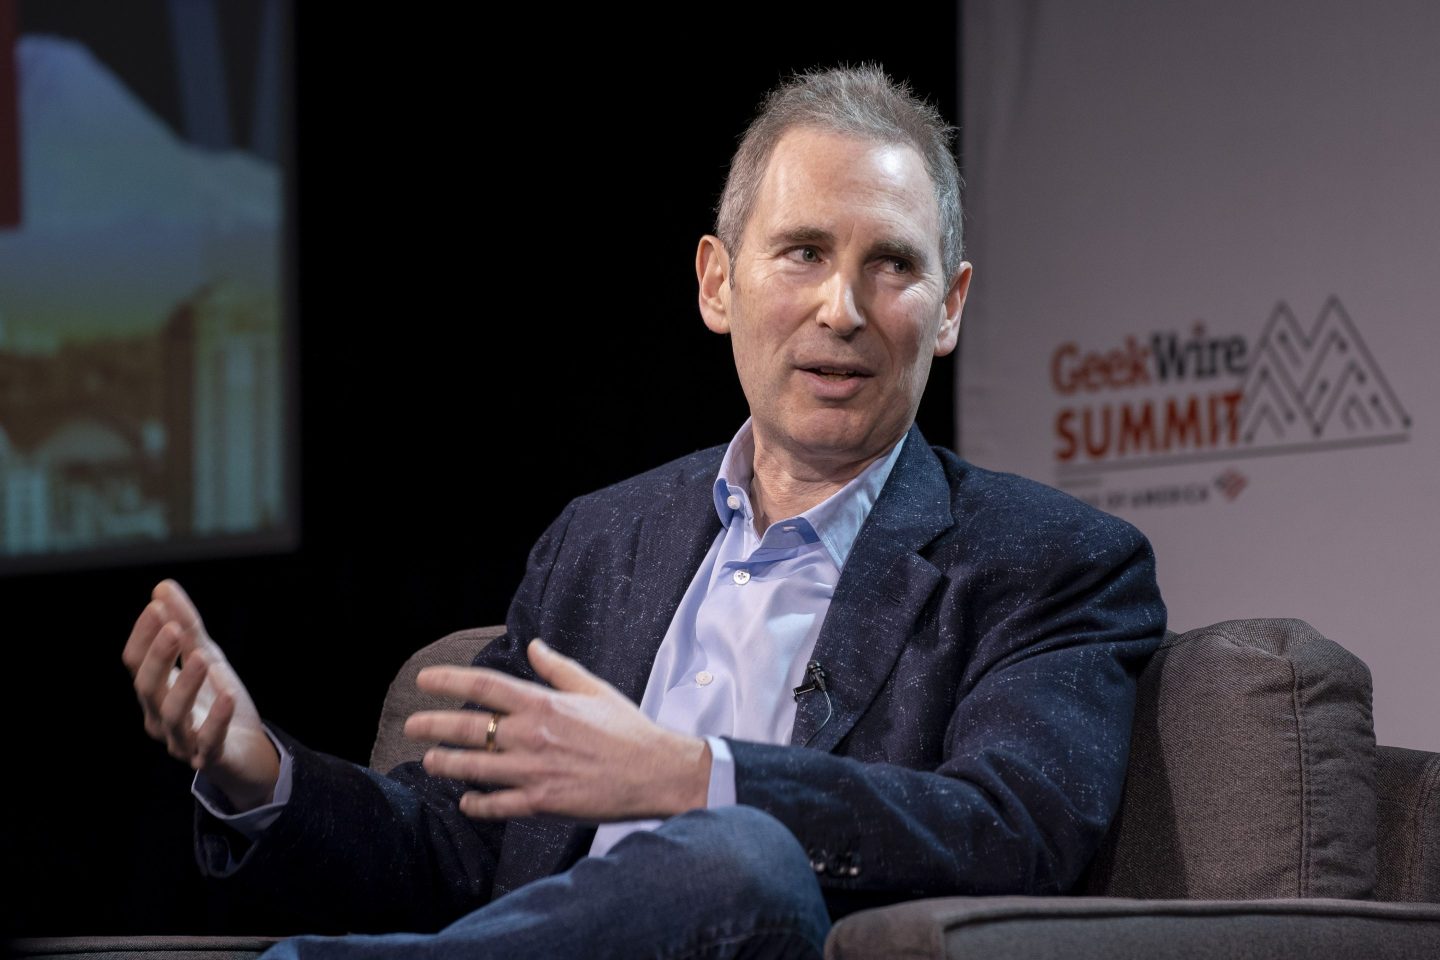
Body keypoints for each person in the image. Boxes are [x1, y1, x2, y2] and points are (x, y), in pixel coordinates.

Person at [123, 66, 1166, 958]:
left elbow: (1012, 828)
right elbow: (455, 843)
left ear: (949, 309)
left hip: (757, 935)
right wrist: (260, 768)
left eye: (891, 264)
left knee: (745, 859)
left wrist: (695, 776)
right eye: (802, 252)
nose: (842, 309)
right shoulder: (603, 543)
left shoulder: (1052, 559)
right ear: (719, 284)